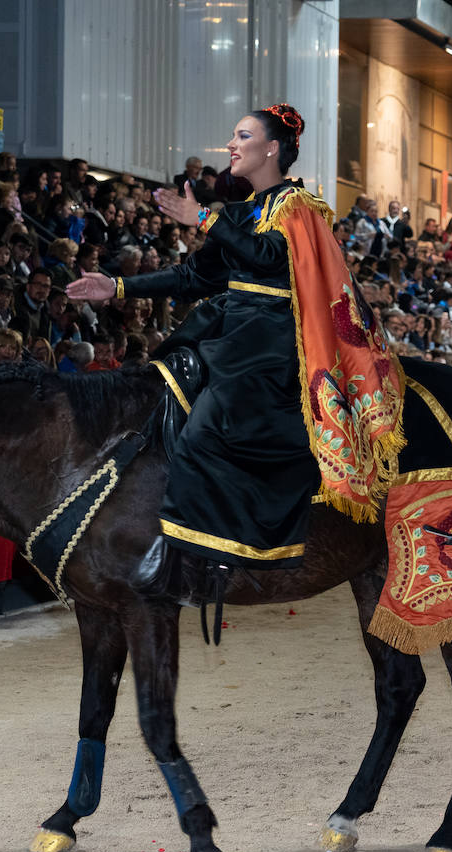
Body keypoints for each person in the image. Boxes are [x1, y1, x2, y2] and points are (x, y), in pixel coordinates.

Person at [67, 104, 403, 587]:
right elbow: (194, 276)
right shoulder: (242, 212)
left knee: (210, 427)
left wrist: (204, 217)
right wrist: (117, 286)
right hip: (230, 333)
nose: (230, 144)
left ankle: (217, 553)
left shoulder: (300, 208)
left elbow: (267, 257)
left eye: (243, 136)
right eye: (233, 135)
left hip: (272, 342)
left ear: (271, 148)